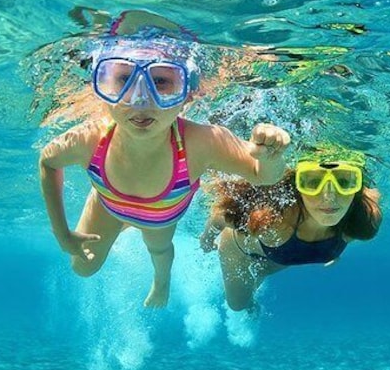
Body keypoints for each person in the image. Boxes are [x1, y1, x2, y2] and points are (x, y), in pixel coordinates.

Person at [39, 34, 290, 308]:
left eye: (160, 82)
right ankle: (116, 214)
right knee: (81, 267)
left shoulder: (200, 143)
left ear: (187, 94)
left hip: (160, 217)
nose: (141, 99)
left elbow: (263, 175)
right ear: (103, 87)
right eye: (124, 80)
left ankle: (162, 283)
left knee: (159, 250)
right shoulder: (89, 140)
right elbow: (48, 162)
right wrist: (61, 233)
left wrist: (270, 157)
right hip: (108, 205)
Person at [200, 148, 382, 312]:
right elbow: (221, 215)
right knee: (238, 305)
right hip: (242, 253)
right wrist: (207, 240)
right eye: (313, 182)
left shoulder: (364, 218)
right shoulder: (274, 220)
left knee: (262, 272)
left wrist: (333, 251)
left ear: (357, 188)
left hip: (281, 256)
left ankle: (260, 274)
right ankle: (252, 308)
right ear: (298, 187)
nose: (329, 196)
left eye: (343, 181)